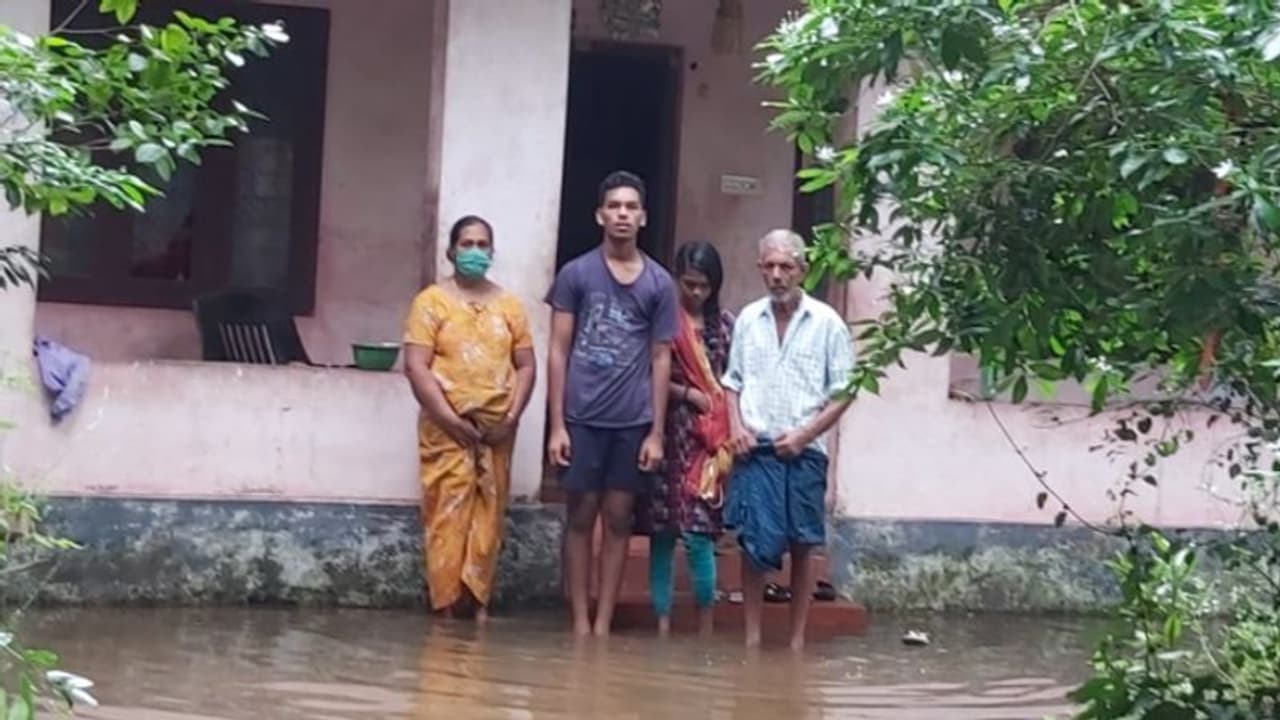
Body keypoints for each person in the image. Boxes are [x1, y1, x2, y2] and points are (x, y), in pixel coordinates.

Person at [546, 170, 678, 637]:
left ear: (642, 217)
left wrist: (657, 433)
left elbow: (661, 359)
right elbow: (558, 350)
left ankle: (604, 624)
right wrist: (557, 425)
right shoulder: (576, 274)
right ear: (600, 214)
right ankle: (580, 622)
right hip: (582, 419)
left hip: (633, 421)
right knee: (580, 517)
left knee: (619, 519)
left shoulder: (660, 284)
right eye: (614, 206)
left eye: (631, 207)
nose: (622, 214)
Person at [722, 229, 856, 650]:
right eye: (770, 266)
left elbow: (845, 391)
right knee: (751, 542)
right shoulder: (747, 319)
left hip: (804, 451)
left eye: (786, 266)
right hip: (756, 448)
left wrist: (804, 435)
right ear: (761, 268)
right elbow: (732, 382)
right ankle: (752, 638)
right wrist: (736, 428)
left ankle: (796, 640)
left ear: (803, 270)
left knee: (802, 542)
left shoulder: (828, 324)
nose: (777, 275)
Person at [403, 215, 537, 624]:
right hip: (446, 433)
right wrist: (451, 421)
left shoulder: (510, 306)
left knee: (488, 519)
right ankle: (444, 611)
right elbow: (416, 366)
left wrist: (510, 419)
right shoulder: (431, 303)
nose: (475, 252)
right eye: (467, 244)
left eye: (483, 245)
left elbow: (527, 366)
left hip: (497, 433)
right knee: (447, 517)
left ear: (492, 253)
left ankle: (479, 608)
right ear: (451, 250)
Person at [635, 241, 735, 637]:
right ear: (677, 280)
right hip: (668, 431)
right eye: (689, 284)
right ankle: (661, 623)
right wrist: (684, 394)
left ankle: (705, 625)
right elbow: (648, 373)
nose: (695, 293)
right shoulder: (663, 323)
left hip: (709, 444)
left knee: (699, 535)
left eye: (703, 286)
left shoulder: (726, 326)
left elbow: (734, 382)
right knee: (662, 534)